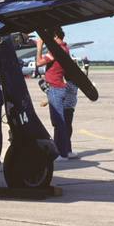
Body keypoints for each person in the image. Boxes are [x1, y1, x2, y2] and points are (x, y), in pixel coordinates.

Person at [36, 27, 76, 160]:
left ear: (56, 36)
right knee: (61, 122)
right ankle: (64, 151)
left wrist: (39, 48)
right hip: (58, 87)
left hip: (54, 87)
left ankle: (61, 153)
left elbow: (39, 63)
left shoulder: (56, 50)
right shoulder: (65, 49)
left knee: (58, 122)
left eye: (51, 38)